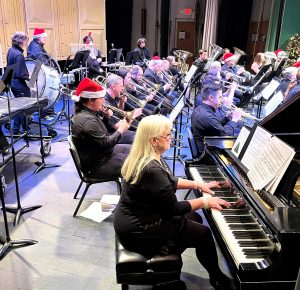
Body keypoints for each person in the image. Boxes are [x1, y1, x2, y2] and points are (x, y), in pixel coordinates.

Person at [114, 114, 235, 290]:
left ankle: (169, 262)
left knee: (195, 217)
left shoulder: (146, 156)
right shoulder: (151, 168)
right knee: (203, 234)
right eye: (168, 135)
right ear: (154, 140)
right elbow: (173, 208)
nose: (172, 138)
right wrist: (205, 201)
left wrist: (199, 184)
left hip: (132, 219)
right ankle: (216, 277)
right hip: (140, 231)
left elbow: (170, 181)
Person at [71, 77, 131, 180]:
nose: (103, 101)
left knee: (138, 151)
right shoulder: (87, 120)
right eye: (101, 98)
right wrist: (121, 130)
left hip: (102, 154)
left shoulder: (87, 114)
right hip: (98, 165)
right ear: (91, 100)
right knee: (139, 163)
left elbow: (100, 134)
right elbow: (106, 143)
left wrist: (106, 118)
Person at [191, 83, 242, 153]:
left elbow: (215, 125)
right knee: (241, 137)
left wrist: (227, 117)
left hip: (209, 140)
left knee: (239, 131)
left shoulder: (199, 109)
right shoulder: (206, 116)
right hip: (209, 150)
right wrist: (234, 119)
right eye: (220, 97)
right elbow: (226, 135)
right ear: (211, 98)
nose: (222, 99)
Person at [7, 31, 31, 135]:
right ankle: (25, 130)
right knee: (24, 108)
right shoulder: (19, 54)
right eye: (26, 40)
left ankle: (16, 130)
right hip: (19, 85)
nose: (27, 43)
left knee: (18, 108)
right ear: (21, 41)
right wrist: (30, 80)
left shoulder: (10, 50)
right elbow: (21, 74)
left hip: (13, 83)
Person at [104, 73, 141, 138]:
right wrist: (133, 115)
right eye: (121, 86)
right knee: (138, 135)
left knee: (141, 125)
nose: (123, 88)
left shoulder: (115, 96)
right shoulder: (105, 102)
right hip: (113, 133)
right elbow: (117, 127)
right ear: (113, 86)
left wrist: (121, 102)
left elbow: (119, 112)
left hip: (120, 123)